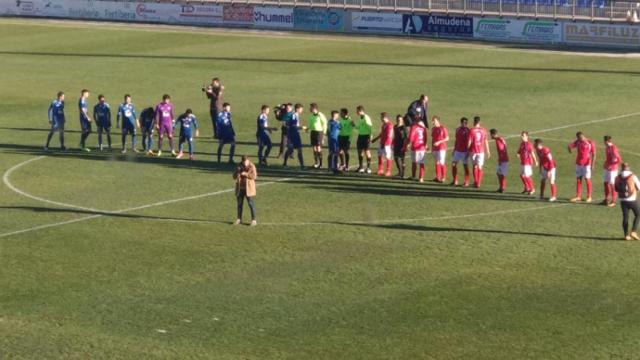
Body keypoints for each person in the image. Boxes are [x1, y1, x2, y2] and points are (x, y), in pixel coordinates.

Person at [568, 131, 596, 203]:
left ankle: (589, 196)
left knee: (587, 179)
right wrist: (569, 149)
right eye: (578, 138)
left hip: (586, 164)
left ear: (583, 136)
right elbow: (570, 146)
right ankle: (578, 196)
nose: (580, 139)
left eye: (580, 138)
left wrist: (592, 164)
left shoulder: (590, 142)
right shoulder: (578, 142)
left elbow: (594, 154)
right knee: (578, 179)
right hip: (578, 163)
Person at [615, 163, 640, 240]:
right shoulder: (632, 176)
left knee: (625, 216)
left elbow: (616, 188)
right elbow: (639, 187)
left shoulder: (618, 177)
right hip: (632, 199)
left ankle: (626, 235)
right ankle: (633, 231)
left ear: (621, 168)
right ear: (628, 168)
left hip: (622, 200)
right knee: (638, 214)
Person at [233, 155, 257, 226]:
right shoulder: (239, 165)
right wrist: (237, 174)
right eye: (243, 162)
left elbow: (254, 176)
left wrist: (246, 174)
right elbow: (233, 176)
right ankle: (239, 219)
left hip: (248, 189)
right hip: (240, 188)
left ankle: (254, 220)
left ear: (248, 160)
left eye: (245, 162)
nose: (244, 163)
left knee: (251, 204)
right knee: (239, 204)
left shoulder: (252, 166)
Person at [467, 116, 490, 188]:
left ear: (474, 122)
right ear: (479, 122)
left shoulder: (471, 130)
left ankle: (476, 181)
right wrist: (488, 151)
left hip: (473, 151)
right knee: (480, 167)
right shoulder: (483, 130)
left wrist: (467, 150)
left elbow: (469, 141)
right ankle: (478, 183)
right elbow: (486, 141)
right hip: (481, 151)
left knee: (474, 166)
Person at [283, 103, 306, 169]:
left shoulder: (296, 115)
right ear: (297, 109)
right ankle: (285, 163)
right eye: (301, 109)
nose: (302, 110)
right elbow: (293, 126)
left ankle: (302, 165)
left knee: (299, 149)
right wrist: (302, 127)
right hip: (292, 135)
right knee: (290, 149)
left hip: (296, 134)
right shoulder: (294, 115)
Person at [405, 118, 428, 182]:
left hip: (415, 147)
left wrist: (408, 144)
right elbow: (426, 137)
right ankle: (421, 178)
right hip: (422, 147)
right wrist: (425, 145)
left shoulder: (414, 127)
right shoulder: (424, 128)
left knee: (414, 162)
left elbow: (411, 137)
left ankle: (413, 176)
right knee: (421, 163)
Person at [371, 112, 394, 177]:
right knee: (380, 155)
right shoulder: (384, 124)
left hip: (387, 144)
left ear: (384, 117)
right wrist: (375, 139)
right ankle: (380, 169)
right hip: (382, 143)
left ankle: (388, 171)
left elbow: (389, 136)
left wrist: (385, 143)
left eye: (381, 117)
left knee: (388, 157)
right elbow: (382, 134)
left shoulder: (390, 125)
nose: (380, 119)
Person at [602, 135, 622, 207]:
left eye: (604, 141)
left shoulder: (613, 148)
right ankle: (606, 199)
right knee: (605, 183)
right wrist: (605, 163)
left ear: (606, 141)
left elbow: (619, 159)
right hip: (607, 168)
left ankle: (613, 201)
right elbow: (608, 158)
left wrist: (612, 165)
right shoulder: (607, 147)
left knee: (612, 184)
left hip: (613, 169)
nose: (603, 143)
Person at [516, 131, 538, 195]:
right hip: (522, 162)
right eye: (521, 135)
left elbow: (532, 153)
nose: (522, 137)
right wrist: (518, 154)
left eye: (523, 135)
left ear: (527, 136)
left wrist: (535, 161)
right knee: (522, 175)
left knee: (527, 176)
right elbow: (519, 151)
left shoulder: (529, 144)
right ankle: (527, 187)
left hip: (527, 163)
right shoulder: (522, 144)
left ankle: (532, 189)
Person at [451, 117, 470, 187]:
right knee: (453, 164)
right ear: (461, 123)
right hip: (457, 151)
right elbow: (456, 140)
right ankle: (455, 180)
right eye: (464, 123)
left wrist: (468, 151)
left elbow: (469, 142)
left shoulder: (468, 130)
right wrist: (454, 149)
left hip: (465, 151)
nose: (466, 124)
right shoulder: (458, 129)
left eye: (466, 123)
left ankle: (466, 181)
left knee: (465, 166)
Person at [307, 103, 327, 169]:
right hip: (313, 132)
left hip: (319, 133)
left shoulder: (320, 115)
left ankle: (320, 164)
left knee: (318, 148)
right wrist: (307, 128)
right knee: (314, 148)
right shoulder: (311, 116)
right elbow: (310, 124)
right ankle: (316, 163)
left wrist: (324, 134)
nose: (309, 109)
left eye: (310, 108)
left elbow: (325, 124)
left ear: (314, 108)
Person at [431, 116, 449, 183]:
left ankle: (443, 177)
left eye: (434, 121)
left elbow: (447, 138)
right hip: (435, 148)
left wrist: (439, 142)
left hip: (442, 148)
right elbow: (433, 139)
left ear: (438, 121)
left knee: (441, 162)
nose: (433, 122)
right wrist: (432, 148)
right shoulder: (433, 129)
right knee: (437, 162)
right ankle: (438, 177)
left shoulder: (443, 128)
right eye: (433, 121)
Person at [490, 128, 509, 193]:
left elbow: (502, 150)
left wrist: (501, 160)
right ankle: (501, 187)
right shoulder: (499, 139)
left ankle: (503, 188)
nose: (490, 136)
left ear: (493, 134)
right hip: (502, 159)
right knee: (498, 173)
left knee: (502, 174)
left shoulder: (498, 141)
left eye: (490, 135)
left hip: (503, 160)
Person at [355, 105, 373, 174]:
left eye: (357, 111)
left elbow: (370, 127)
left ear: (361, 111)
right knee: (360, 151)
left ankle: (368, 168)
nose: (356, 112)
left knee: (367, 151)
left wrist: (370, 135)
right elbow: (358, 127)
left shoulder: (366, 117)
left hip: (366, 136)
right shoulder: (360, 118)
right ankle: (361, 167)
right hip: (360, 136)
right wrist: (353, 125)